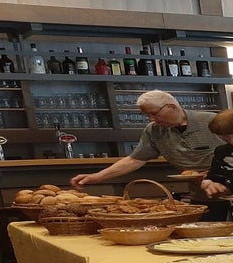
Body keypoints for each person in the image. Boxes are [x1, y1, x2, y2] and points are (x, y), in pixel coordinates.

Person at [69, 90, 224, 216]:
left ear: (171, 107)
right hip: (200, 196)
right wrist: (97, 177)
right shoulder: (154, 130)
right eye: (147, 115)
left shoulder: (211, 122)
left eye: (154, 114)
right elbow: (135, 159)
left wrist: (214, 172)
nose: (151, 119)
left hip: (230, 194)